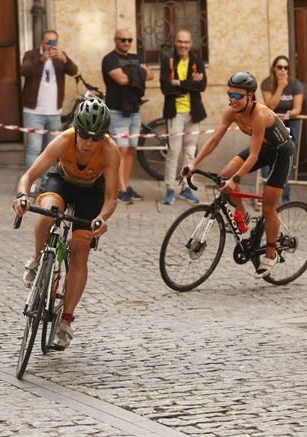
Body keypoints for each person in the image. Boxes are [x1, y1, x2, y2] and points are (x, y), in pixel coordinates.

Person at [13, 97, 120, 349]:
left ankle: (66, 321)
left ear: (104, 136)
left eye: (96, 137)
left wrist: (101, 218)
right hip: (61, 183)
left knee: (80, 251)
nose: (89, 142)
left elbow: (112, 197)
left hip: (91, 194)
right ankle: (38, 258)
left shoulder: (110, 151)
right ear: (76, 129)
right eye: (84, 135)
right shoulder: (64, 140)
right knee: (48, 213)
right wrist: (21, 196)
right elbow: (28, 176)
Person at [183, 72, 294, 276]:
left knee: (269, 206)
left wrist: (236, 181)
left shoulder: (260, 115)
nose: (232, 100)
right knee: (225, 174)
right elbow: (214, 141)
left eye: (237, 96)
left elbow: (253, 156)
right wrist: (193, 163)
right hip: (263, 149)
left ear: (250, 97)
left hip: (281, 151)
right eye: (230, 95)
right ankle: (242, 214)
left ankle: (271, 255)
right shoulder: (231, 112)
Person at [20, 29, 79, 196]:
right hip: (34, 111)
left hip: (54, 112)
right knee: (34, 148)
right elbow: (24, 71)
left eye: (54, 42)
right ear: (41, 41)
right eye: (48, 42)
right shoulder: (31, 55)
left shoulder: (60, 56)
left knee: (51, 150)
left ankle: (47, 184)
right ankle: (30, 184)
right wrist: (41, 60)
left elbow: (74, 71)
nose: (51, 46)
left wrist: (65, 60)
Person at [101, 28, 154, 204]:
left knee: (130, 150)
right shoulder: (109, 59)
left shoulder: (136, 57)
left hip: (135, 109)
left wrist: (130, 71)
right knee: (120, 150)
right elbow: (121, 80)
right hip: (117, 111)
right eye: (122, 40)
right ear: (115, 40)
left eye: (129, 40)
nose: (126, 43)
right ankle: (120, 189)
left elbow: (151, 75)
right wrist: (138, 71)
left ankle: (126, 185)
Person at [159, 29, 207, 205]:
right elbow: (165, 87)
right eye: (180, 42)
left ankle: (187, 188)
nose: (183, 45)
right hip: (175, 113)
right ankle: (170, 189)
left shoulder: (197, 61)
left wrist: (178, 83)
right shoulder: (167, 60)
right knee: (173, 152)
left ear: (191, 44)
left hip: (193, 114)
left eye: (186, 42)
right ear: (175, 42)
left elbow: (202, 85)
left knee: (190, 153)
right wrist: (190, 84)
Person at [260, 54, 304, 203]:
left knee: (286, 160)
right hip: (272, 126)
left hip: (290, 125)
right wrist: (280, 87)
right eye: (279, 67)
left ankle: (285, 198)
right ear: (274, 68)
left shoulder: (295, 84)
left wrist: (290, 113)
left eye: (286, 67)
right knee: (267, 159)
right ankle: (266, 196)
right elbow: (270, 105)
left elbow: (298, 108)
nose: (283, 70)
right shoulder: (267, 83)